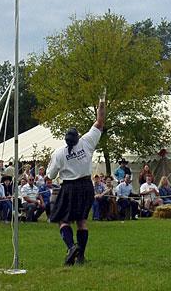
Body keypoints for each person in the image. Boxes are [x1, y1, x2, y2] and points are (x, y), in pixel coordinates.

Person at [47, 96, 105, 266]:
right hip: (87, 186)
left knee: (62, 220)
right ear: (78, 137)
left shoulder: (59, 153)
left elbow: (50, 176)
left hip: (70, 187)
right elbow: (100, 121)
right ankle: (81, 257)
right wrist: (101, 102)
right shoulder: (86, 142)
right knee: (82, 221)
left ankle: (72, 247)